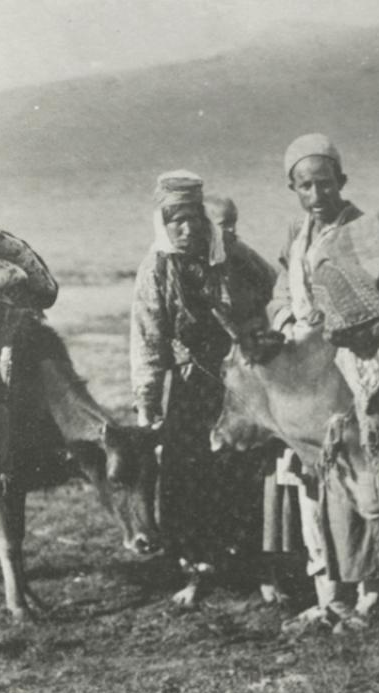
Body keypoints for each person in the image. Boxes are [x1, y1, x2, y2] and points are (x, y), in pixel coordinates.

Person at [267, 134, 379, 634]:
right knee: (315, 481)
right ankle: (331, 594)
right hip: (307, 369)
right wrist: (287, 320)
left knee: (363, 476)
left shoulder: (361, 230)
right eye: (305, 186)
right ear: (293, 189)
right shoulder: (297, 234)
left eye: (325, 184)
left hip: (351, 368)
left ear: (341, 182)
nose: (316, 195)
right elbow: (282, 289)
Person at [131, 172, 250, 586]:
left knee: (236, 463)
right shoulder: (156, 268)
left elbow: (267, 287)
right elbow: (148, 338)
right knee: (186, 467)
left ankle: (238, 554)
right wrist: (147, 402)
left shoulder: (226, 254)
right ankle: (192, 559)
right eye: (176, 220)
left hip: (235, 377)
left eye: (193, 218)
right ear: (163, 223)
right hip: (187, 383)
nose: (186, 229)